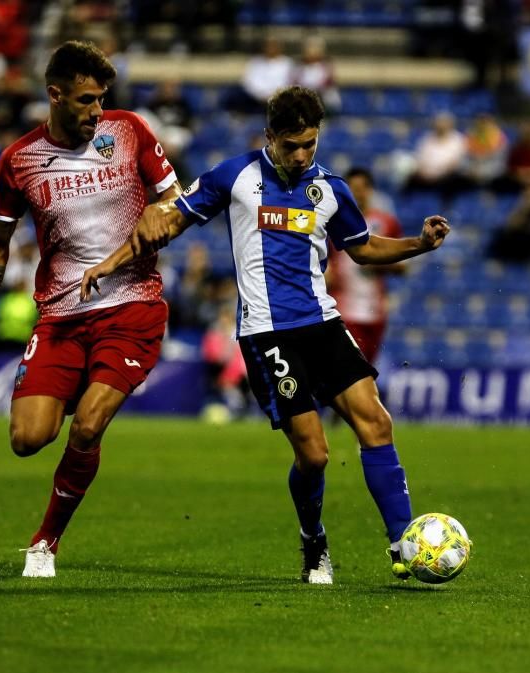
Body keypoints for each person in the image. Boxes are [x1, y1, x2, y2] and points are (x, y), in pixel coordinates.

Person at [81, 86, 451, 584]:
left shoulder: (331, 190)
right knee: (315, 455)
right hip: (267, 334)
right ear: (270, 136)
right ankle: (313, 539)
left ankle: (404, 543)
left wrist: (418, 245)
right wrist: (109, 264)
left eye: (310, 145)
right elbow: (167, 225)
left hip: (322, 323)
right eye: (291, 145)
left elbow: (362, 250)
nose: (301, 156)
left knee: (376, 423)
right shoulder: (233, 177)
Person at [0, 40, 181, 578]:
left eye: (101, 99)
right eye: (85, 100)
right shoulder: (19, 161)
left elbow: (178, 202)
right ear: (54, 96)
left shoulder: (128, 132)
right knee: (27, 439)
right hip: (61, 315)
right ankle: (77, 385)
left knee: (87, 427)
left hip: (131, 308)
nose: (97, 111)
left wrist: (162, 213)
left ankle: (45, 542)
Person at [327, 168, 405, 364]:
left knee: (367, 367)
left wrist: (378, 262)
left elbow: (402, 265)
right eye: (352, 189)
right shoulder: (333, 222)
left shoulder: (386, 222)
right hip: (342, 309)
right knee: (353, 369)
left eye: (362, 188)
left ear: (370, 190)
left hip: (375, 311)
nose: (357, 193)